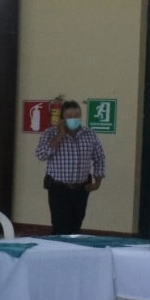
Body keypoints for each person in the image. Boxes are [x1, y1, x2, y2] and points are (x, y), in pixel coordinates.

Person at [35, 98, 107, 234]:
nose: (73, 119)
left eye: (76, 116)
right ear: (62, 118)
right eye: (69, 116)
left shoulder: (89, 134)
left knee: (75, 227)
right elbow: (41, 155)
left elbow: (99, 158)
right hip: (58, 189)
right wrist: (60, 135)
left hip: (81, 189)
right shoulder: (50, 133)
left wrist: (97, 183)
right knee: (60, 227)